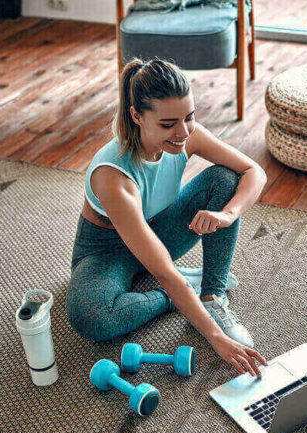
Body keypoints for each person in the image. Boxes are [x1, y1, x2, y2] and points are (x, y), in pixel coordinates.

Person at [66, 58, 268, 378]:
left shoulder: (188, 135)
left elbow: (253, 171)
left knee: (225, 180)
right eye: (168, 124)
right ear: (136, 115)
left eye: (189, 117)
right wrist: (214, 337)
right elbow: (163, 271)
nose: (183, 132)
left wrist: (228, 215)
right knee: (92, 317)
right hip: (105, 250)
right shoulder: (113, 176)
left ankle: (211, 293)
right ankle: (177, 296)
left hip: (157, 228)